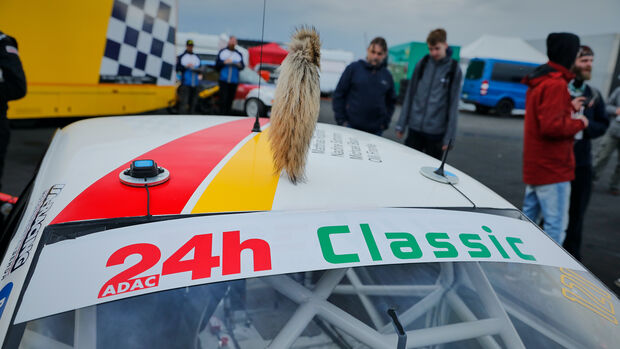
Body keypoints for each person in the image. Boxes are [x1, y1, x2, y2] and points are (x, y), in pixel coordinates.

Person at [521, 32, 589, 245]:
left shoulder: (540, 80)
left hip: (536, 166)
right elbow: (552, 127)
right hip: (553, 168)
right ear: (569, 54)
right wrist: (580, 122)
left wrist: (568, 107)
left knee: (526, 223)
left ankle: (514, 271)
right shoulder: (556, 84)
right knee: (555, 227)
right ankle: (549, 276)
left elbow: (544, 116)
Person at [563, 45, 609, 260]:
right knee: (551, 214)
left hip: (581, 164)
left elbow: (602, 124)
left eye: (591, 61)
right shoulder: (560, 88)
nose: (589, 65)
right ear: (573, 63)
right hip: (556, 163)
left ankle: (572, 260)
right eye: (584, 61)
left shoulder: (594, 94)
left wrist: (585, 125)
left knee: (576, 215)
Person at [396, 28, 462, 159]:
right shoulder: (423, 63)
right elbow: (410, 94)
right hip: (414, 129)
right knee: (407, 166)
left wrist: (450, 137)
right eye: (431, 49)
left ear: (445, 45)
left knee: (430, 173)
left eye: (437, 48)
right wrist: (401, 124)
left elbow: (454, 105)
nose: (434, 52)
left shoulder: (454, 69)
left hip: (436, 133)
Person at [332, 37, 396, 136]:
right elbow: (339, 94)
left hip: (375, 131)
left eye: (379, 54)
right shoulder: (353, 68)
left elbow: (391, 101)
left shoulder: (387, 75)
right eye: (373, 52)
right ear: (367, 50)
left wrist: (385, 123)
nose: (375, 56)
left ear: (384, 54)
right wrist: (341, 120)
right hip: (350, 127)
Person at [593, 84, 620, 195]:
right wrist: (616, 110)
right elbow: (606, 106)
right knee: (601, 156)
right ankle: (591, 180)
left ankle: (614, 186)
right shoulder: (619, 91)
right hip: (613, 131)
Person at [215, 36, 244, 115]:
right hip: (224, 80)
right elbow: (217, 65)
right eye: (232, 41)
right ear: (229, 41)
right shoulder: (223, 52)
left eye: (235, 42)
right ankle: (221, 115)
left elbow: (242, 66)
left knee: (230, 100)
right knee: (223, 99)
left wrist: (237, 64)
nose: (233, 43)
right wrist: (224, 62)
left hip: (234, 81)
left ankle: (228, 115)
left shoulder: (238, 54)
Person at [176, 39, 201, 114]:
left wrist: (195, 69)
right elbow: (177, 68)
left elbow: (201, 69)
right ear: (186, 46)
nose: (190, 47)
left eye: (191, 46)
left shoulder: (196, 57)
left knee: (193, 103)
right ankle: (182, 118)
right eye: (189, 46)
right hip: (185, 83)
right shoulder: (181, 56)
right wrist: (186, 67)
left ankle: (192, 118)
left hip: (195, 83)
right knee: (184, 102)